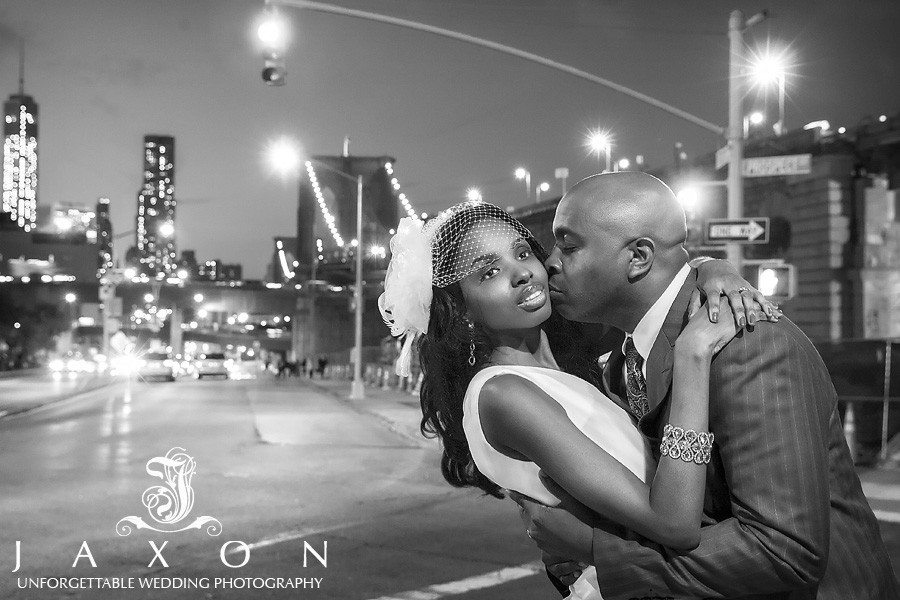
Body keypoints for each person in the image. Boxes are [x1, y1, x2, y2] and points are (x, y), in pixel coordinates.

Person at [516, 172, 898, 599]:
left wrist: (599, 551)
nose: (549, 262)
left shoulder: (748, 344)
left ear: (639, 257)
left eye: (567, 245)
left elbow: (784, 551)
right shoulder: (625, 362)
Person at [379, 200, 777, 600]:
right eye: (489, 272)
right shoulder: (502, 394)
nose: (521, 273)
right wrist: (694, 354)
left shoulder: (565, 366)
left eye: (522, 253)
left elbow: (652, 287)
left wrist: (710, 269)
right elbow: (674, 524)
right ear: (462, 309)